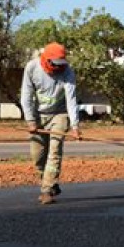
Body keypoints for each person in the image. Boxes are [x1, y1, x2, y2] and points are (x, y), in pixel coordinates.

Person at [21, 42, 82, 205]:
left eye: (61, 64)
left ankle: (46, 190)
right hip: (38, 116)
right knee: (37, 157)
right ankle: (50, 182)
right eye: (55, 64)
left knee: (54, 152)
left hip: (59, 115)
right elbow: (26, 96)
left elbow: (71, 99)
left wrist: (75, 126)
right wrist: (30, 120)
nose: (58, 68)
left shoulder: (68, 71)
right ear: (46, 60)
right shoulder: (32, 68)